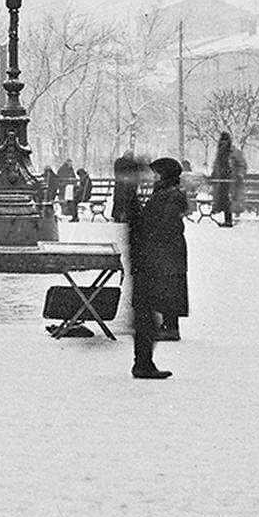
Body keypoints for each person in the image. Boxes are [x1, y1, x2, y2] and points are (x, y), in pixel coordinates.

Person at [112, 153, 168, 380]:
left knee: (145, 315)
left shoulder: (128, 197)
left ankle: (143, 362)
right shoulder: (130, 199)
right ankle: (143, 364)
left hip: (141, 263)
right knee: (146, 316)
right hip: (145, 264)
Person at [136, 155, 191, 347]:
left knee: (170, 286)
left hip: (168, 249)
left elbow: (167, 224)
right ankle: (167, 325)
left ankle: (171, 327)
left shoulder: (171, 195)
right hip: (165, 248)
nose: (153, 178)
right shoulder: (164, 193)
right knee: (165, 286)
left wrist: (148, 234)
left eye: (156, 174)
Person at [211, 131, 239, 227]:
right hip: (227, 179)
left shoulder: (222, 150)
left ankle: (227, 220)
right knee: (226, 200)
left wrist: (216, 174)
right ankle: (228, 219)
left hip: (223, 179)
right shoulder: (230, 150)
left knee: (225, 199)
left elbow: (219, 165)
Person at [55, 155, 77, 220]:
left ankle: (69, 211)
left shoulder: (71, 169)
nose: (70, 164)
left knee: (71, 197)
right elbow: (60, 178)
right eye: (69, 163)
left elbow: (74, 178)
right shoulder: (62, 169)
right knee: (64, 197)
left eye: (71, 163)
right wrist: (66, 182)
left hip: (70, 188)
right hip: (63, 187)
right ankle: (65, 211)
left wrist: (72, 182)